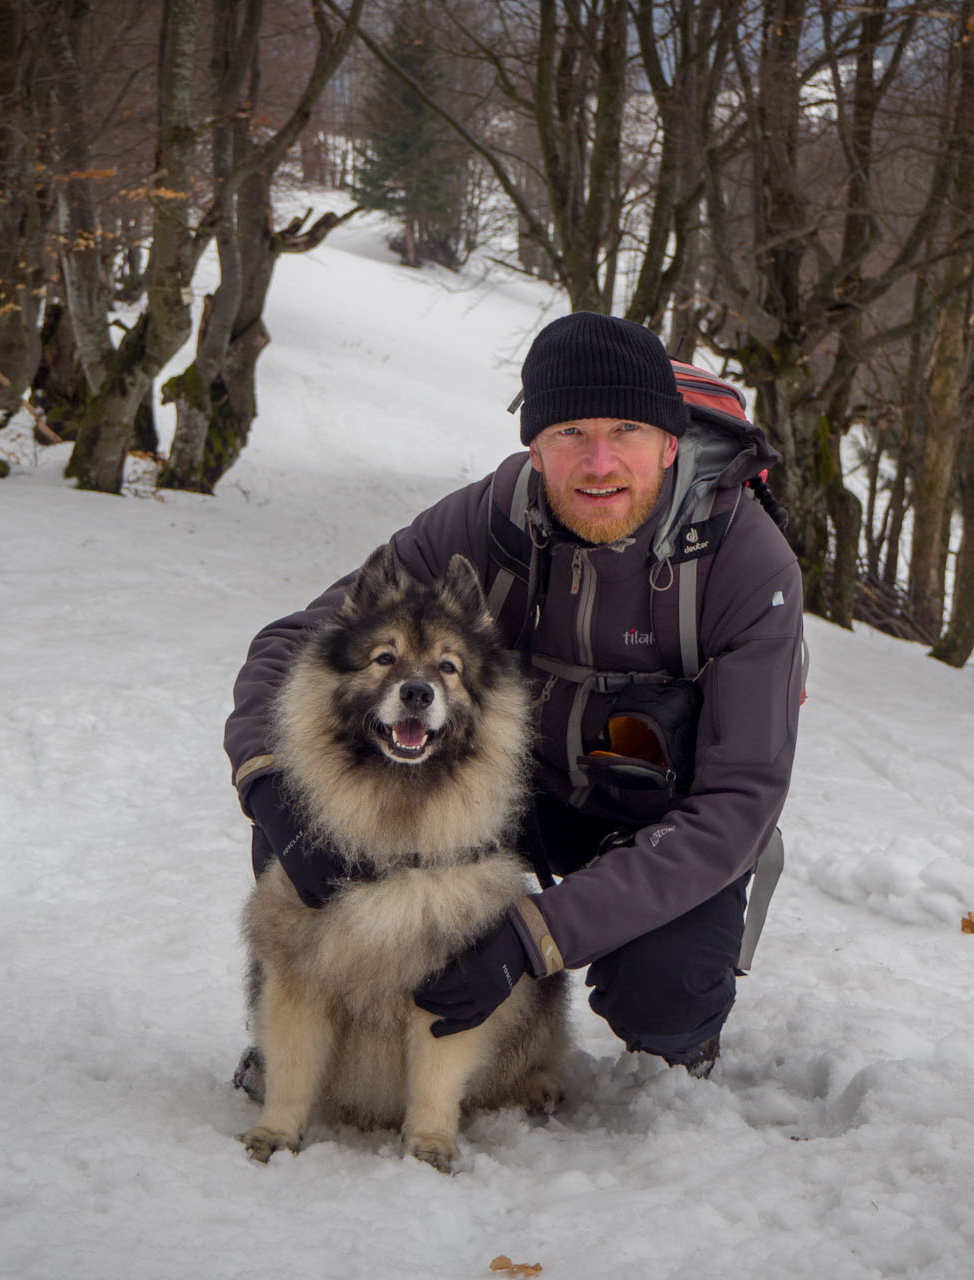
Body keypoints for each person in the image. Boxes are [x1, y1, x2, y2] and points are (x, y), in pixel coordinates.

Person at [227, 311, 805, 1078]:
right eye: (569, 433)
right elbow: (298, 644)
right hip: (504, 797)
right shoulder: (488, 522)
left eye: (626, 430)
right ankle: (308, 1044)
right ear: (534, 445)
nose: (598, 463)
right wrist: (266, 780)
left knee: (663, 996)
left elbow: (738, 806)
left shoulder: (747, 566)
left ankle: (679, 1040)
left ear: (670, 441)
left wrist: (531, 936)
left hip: (655, 817)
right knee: (315, 801)